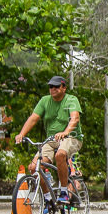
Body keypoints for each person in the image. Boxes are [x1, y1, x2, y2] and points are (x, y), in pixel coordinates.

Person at [14, 75, 83, 206]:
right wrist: (21, 134)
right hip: (51, 140)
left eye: (56, 86)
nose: (53, 89)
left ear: (64, 88)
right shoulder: (44, 101)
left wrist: (66, 132)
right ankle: (48, 198)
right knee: (34, 167)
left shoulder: (71, 100)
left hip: (71, 138)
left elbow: (75, 118)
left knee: (60, 155)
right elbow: (33, 118)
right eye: (51, 86)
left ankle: (63, 191)